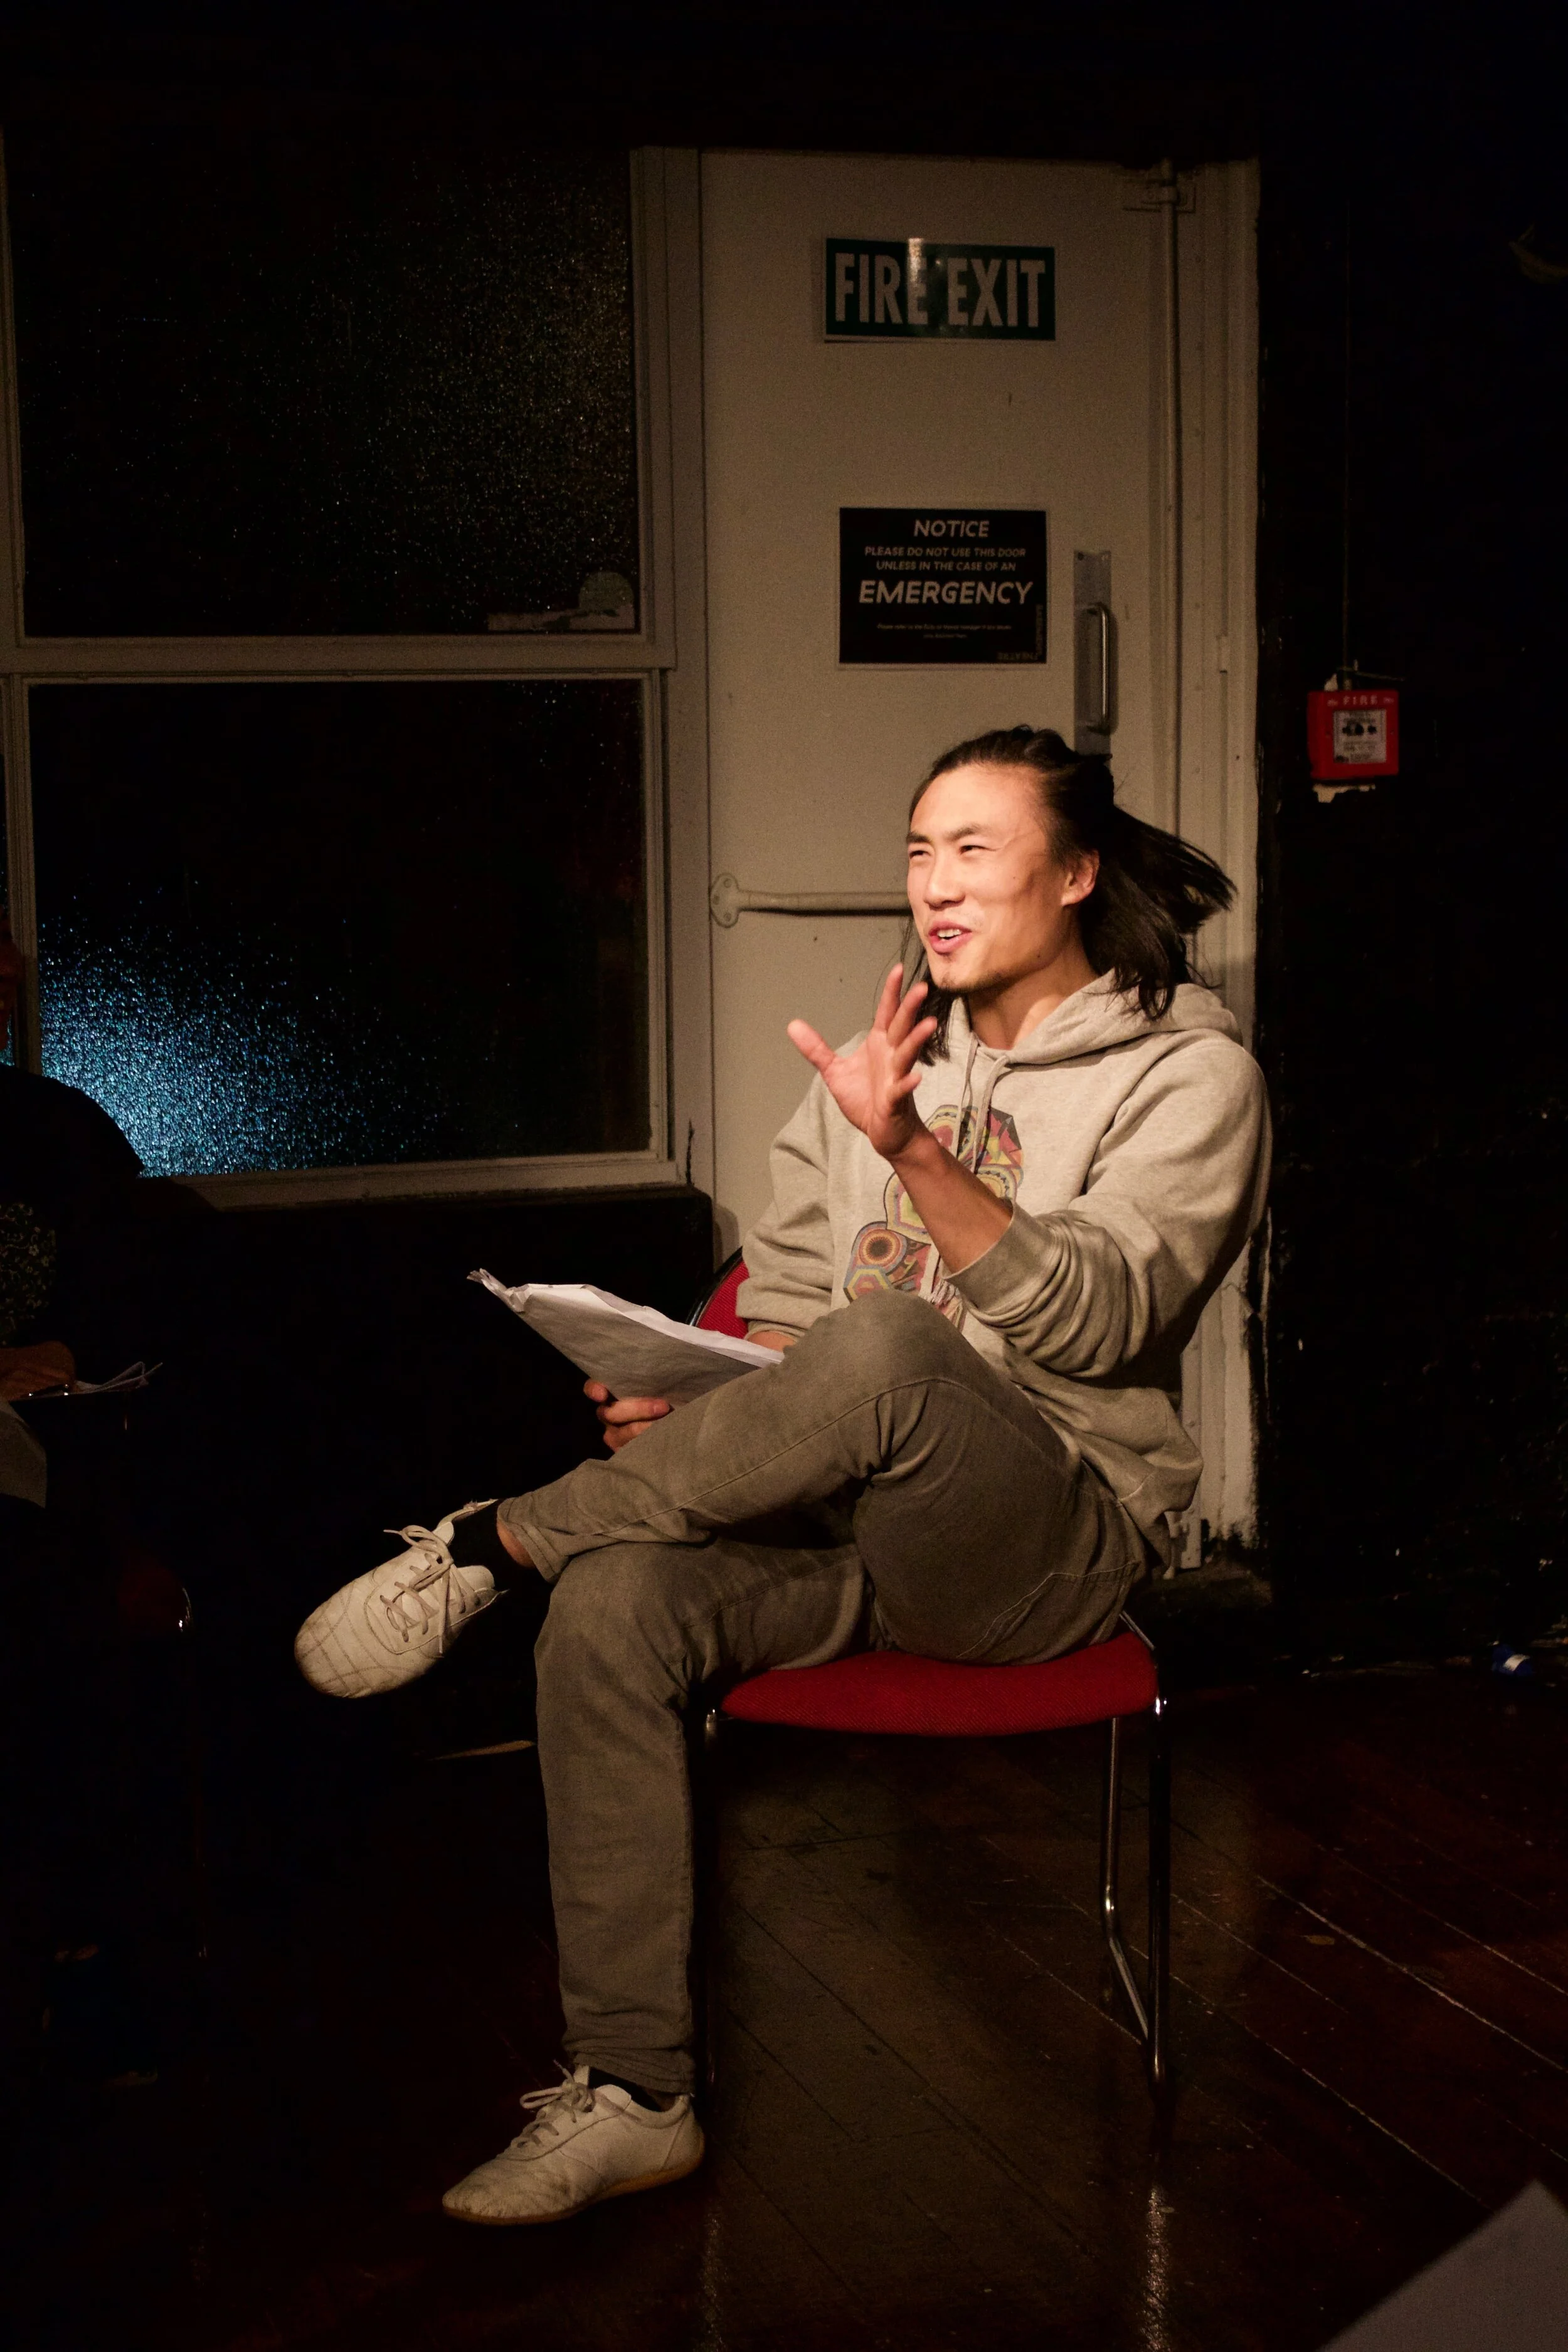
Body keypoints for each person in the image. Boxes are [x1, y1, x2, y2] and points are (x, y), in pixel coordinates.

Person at [294, 726, 1271, 2227]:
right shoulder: (889, 1052)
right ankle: (633, 2094)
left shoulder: (1190, 1076)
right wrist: (700, 1402)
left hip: (1047, 1544)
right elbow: (798, 1318)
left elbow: (1094, 1318)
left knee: (887, 1346)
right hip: (850, 1530)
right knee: (616, 1609)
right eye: (917, 851)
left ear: (1076, 873)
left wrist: (917, 1153)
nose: (933, 886)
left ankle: (498, 1541)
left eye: (973, 849)